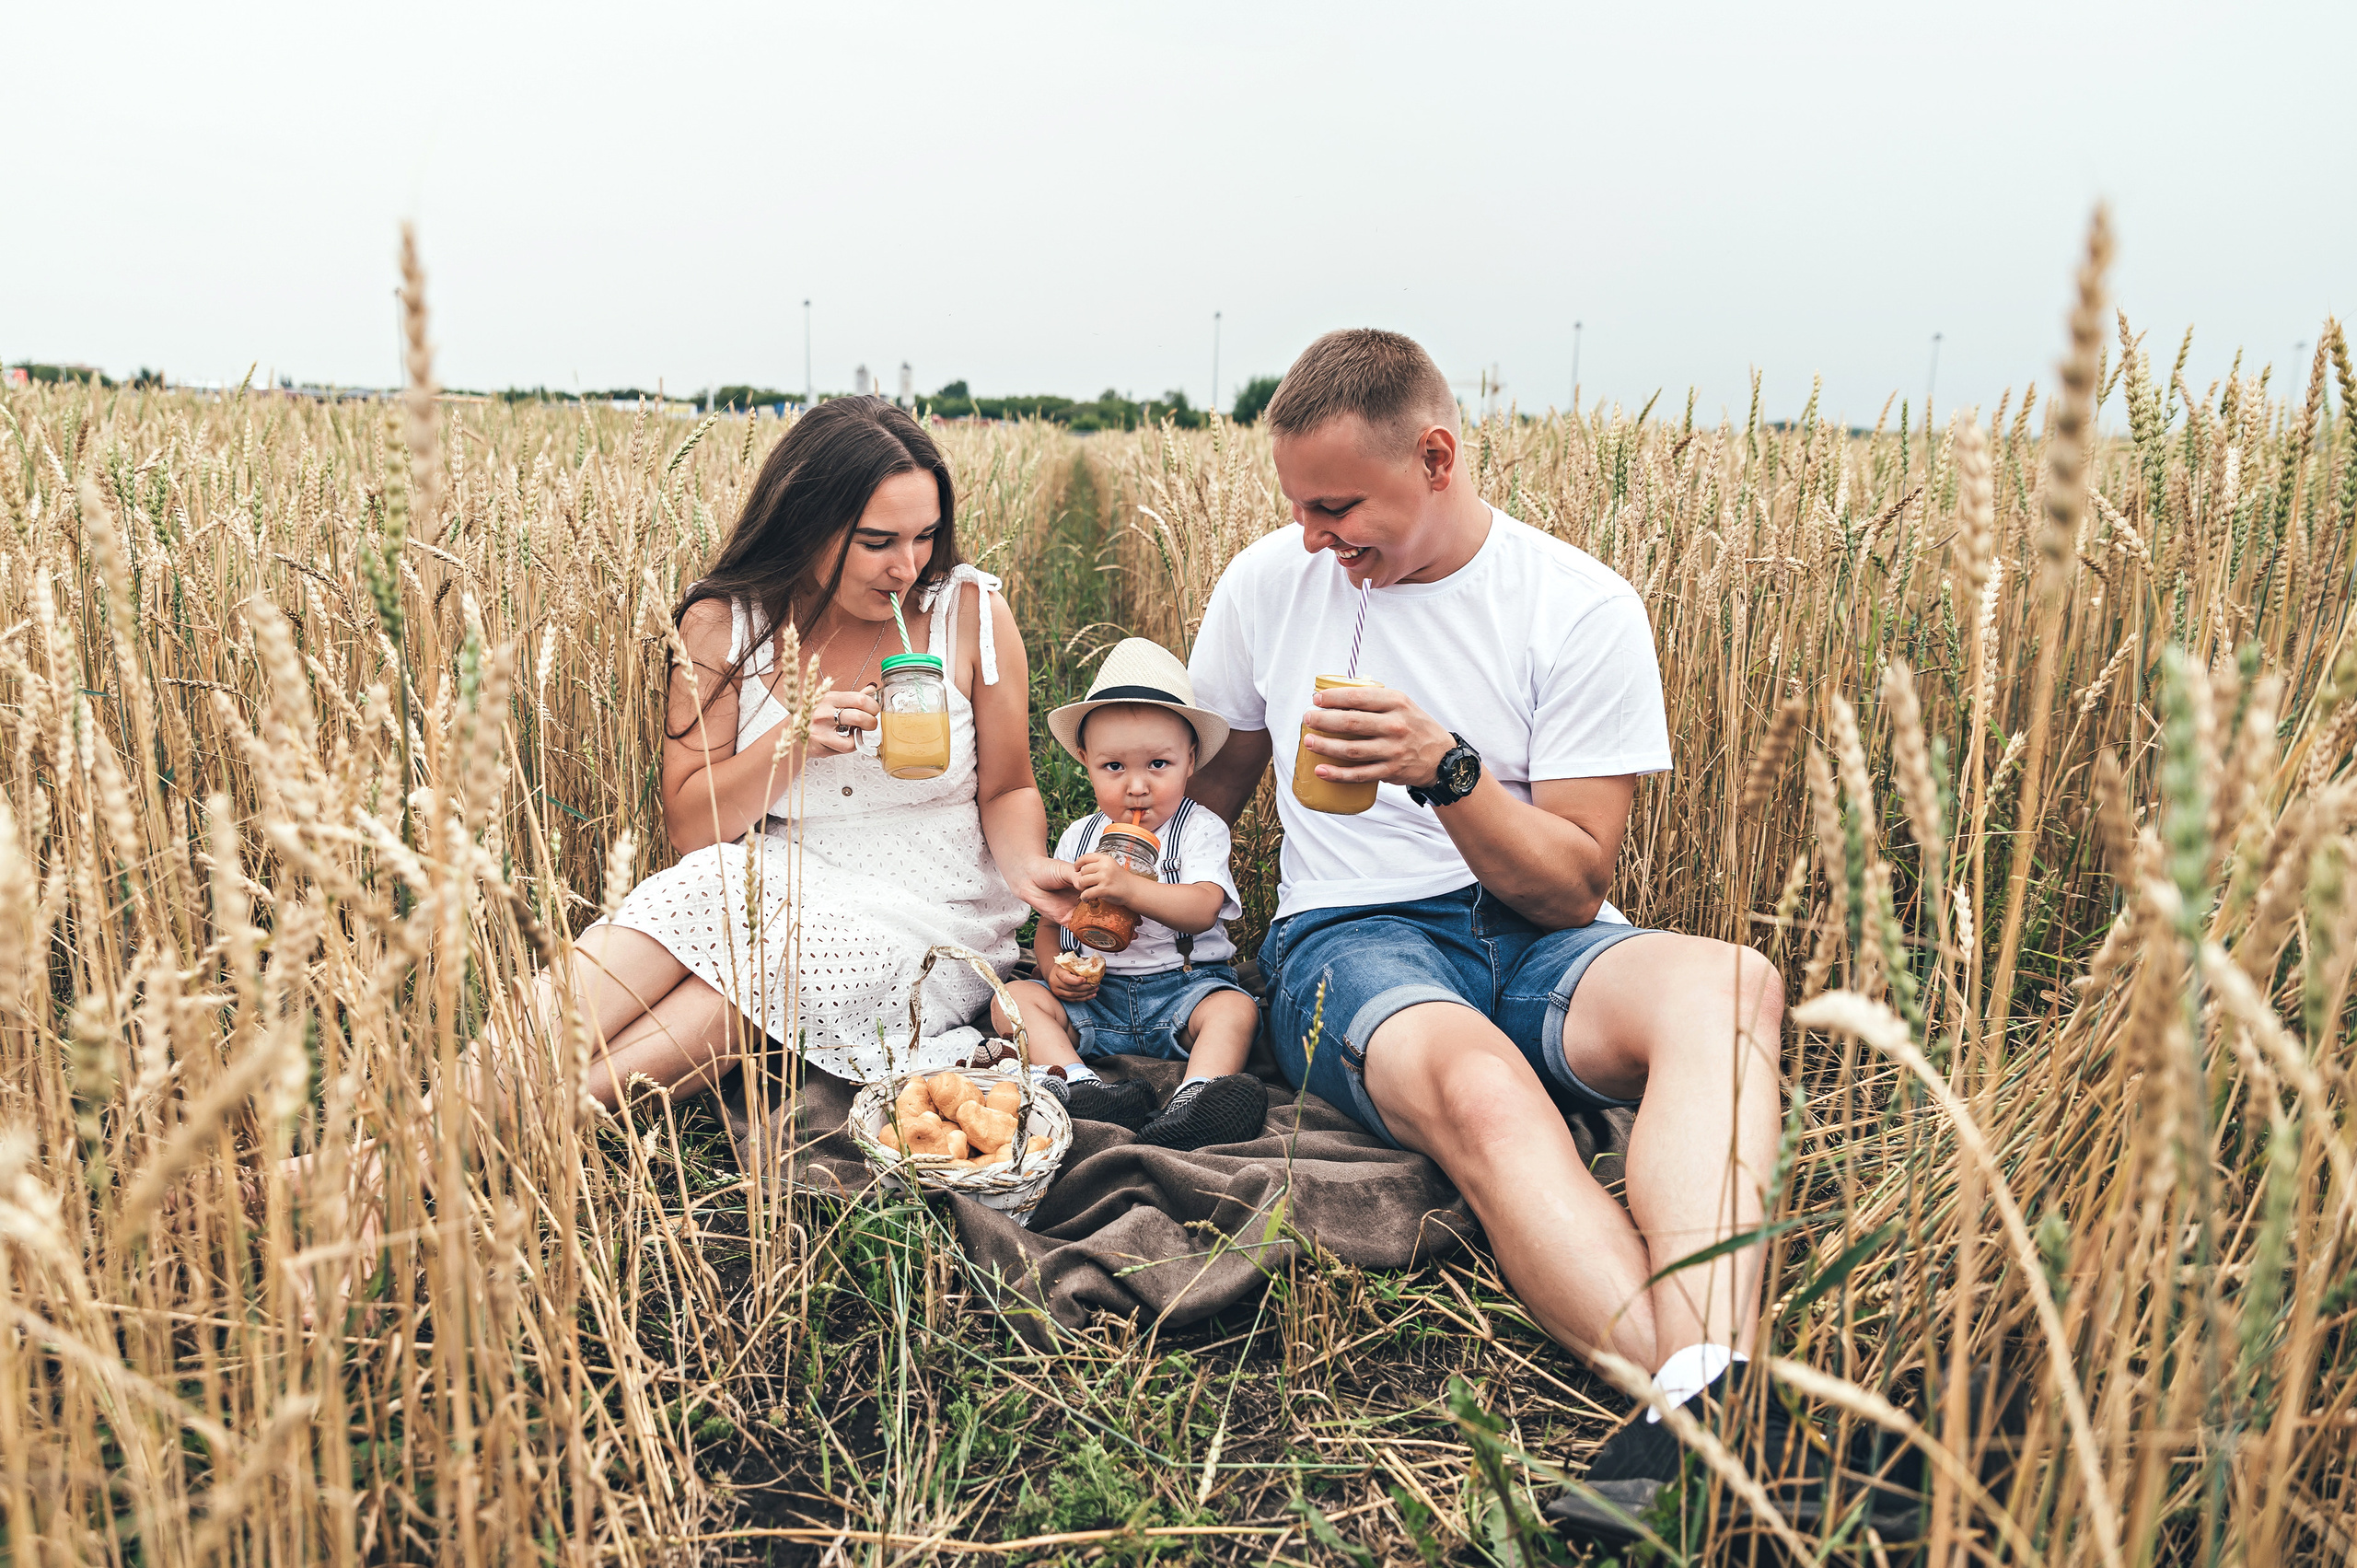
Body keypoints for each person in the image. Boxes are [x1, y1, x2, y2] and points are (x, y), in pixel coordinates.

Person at [1182, 330, 1808, 1531]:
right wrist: (1137, 888)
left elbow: (1572, 888)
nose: (1315, 537)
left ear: (1436, 455)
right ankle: (1723, 1422)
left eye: (1337, 507)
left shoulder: (1576, 604)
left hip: (1532, 934)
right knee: (1482, 1089)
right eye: (1300, 510)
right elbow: (1207, 790)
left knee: (1732, 984)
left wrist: (1448, 770)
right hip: (1351, 940)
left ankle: (1698, 1412)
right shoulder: (1269, 583)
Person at [551, 394, 1078, 1106]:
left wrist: (1029, 871)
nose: (909, 566)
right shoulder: (722, 625)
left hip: (933, 913)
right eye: (878, 541)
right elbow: (691, 828)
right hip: (776, 880)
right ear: (805, 522)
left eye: (925, 536)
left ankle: (459, 1144)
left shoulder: (970, 612)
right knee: (689, 893)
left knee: (754, 979)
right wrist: (790, 743)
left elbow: (1008, 788)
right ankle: (434, 1126)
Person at [987, 639, 1268, 1150]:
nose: (1136, 786)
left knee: (1235, 1011)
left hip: (1185, 991)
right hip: (1099, 999)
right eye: (1113, 767)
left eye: (1158, 764)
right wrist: (1054, 971)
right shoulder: (1081, 835)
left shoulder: (1199, 831)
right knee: (1014, 1000)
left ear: (1191, 761)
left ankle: (1197, 1098)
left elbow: (1203, 908)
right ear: (1085, 761)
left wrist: (1131, 888)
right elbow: (1054, 925)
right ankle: (1079, 1084)